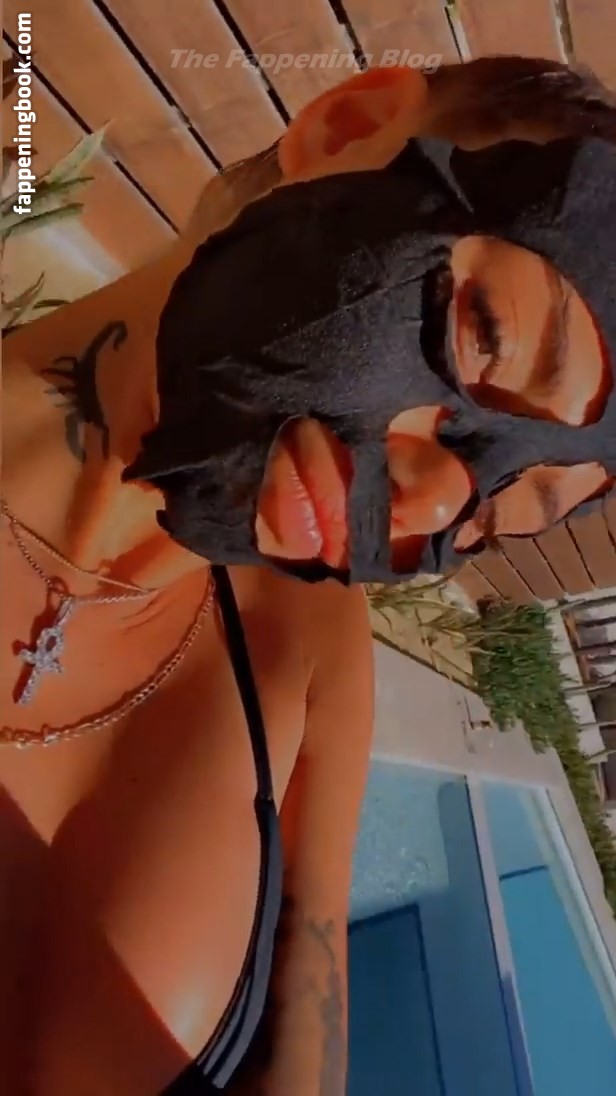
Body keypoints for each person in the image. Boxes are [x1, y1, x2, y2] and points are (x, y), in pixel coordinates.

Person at [2, 54, 616, 1095]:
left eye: (496, 511)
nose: (436, 501)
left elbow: (305, 1036)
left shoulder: (308, 653)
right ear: (344, 128)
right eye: (484, 334)